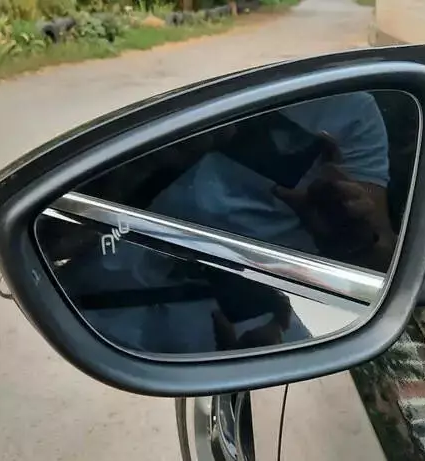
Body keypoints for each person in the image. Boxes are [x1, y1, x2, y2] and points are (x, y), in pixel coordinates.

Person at [53, 92, 395, 354]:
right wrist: (146, 169)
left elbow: (382, 266)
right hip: (99, 319)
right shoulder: (150, 89)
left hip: (258, 328)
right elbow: (51, 239)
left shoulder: (348, 107)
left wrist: (345, 233)